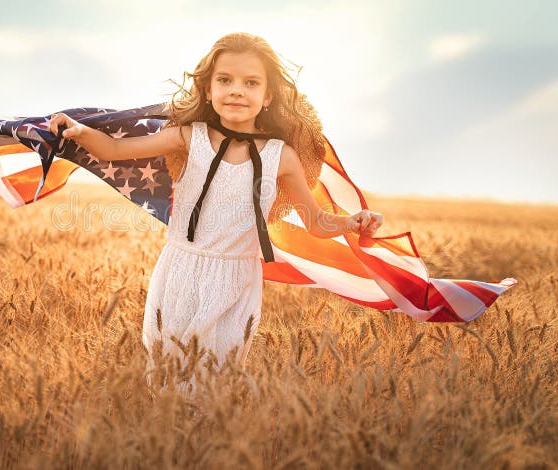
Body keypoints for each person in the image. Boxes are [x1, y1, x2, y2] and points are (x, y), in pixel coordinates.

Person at [47, 32, 383, 395]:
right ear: (208, 89)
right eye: (225, 80)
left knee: (215, 383)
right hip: (180, 272)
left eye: (251, 83)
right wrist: (79, 130)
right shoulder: (188, 137)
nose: (237, 90)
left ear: (268, 96)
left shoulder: (281, 157)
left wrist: (351, 223)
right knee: (168, 376)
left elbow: (317, 222)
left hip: (236, 279)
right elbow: (112, 149)